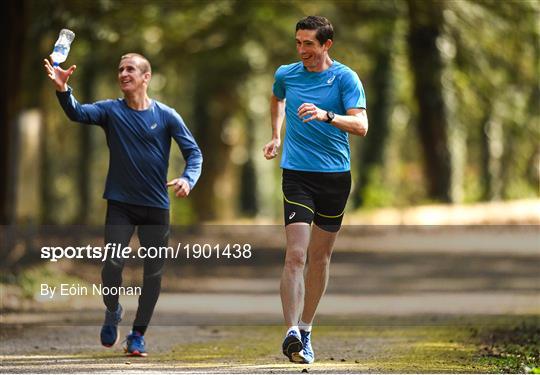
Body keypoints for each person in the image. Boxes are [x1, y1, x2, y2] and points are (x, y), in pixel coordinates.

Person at [43, 53, 203, 356]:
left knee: (153, 274)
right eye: (120, 69)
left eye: (130, 69)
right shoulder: (109, 111)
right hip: (120, 204)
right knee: (112, 266)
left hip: (156, 206)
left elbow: (194, 153)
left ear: (146, 77)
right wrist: (63, 90)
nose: (123, 73)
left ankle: (138, 334)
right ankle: (113, 309)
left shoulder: (167, 115)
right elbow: (76, 113)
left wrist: (187, 179)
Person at [263, 16, 368, 364]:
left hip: (335, 177)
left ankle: (306, 329)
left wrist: (326, 115)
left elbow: (362, 125)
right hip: (296, 174)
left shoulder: (345, 78)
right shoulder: (286, 74)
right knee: (296, 254)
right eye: (298, 42)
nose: (302, 50)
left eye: (309, 44)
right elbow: (277, 99)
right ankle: (290, 331)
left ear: (326, 45)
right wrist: (277, 135)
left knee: (320, 258)